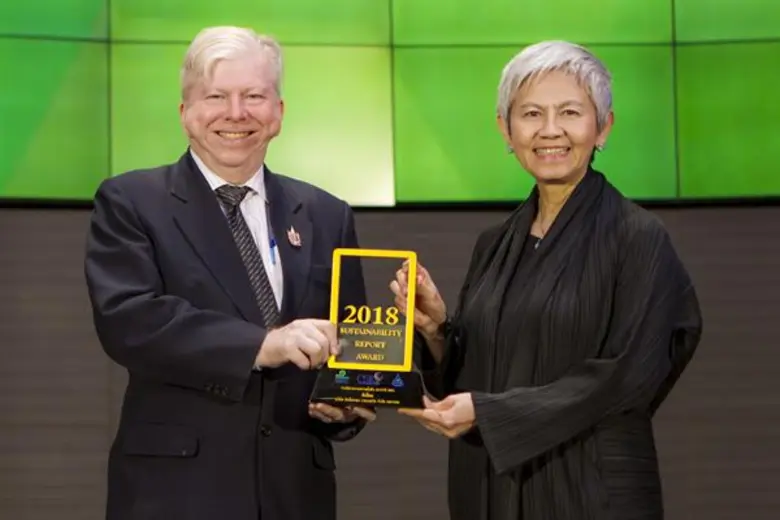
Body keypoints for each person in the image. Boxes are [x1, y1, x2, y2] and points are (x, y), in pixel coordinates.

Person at [391, 40, 703, 519]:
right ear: (505, 128)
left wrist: (490, 413)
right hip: (492, 491)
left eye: (570, 112)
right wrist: (436, 332)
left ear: (603, 127)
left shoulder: (638, 238)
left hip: (590, 491)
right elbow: (478, 378)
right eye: (531, 114)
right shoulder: (495, 243)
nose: (550, 130)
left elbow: (625, 377)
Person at [84, 25, 375, 520]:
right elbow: (129, 321)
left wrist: (346, 404)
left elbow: (350, 343)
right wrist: (265, 345)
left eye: (254, 96)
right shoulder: (131, 201)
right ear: (186, 113)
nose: (236, 113)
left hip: (295, 493)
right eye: (216, 96)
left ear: (278, 112)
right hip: (176, 493)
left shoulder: (327, 214)